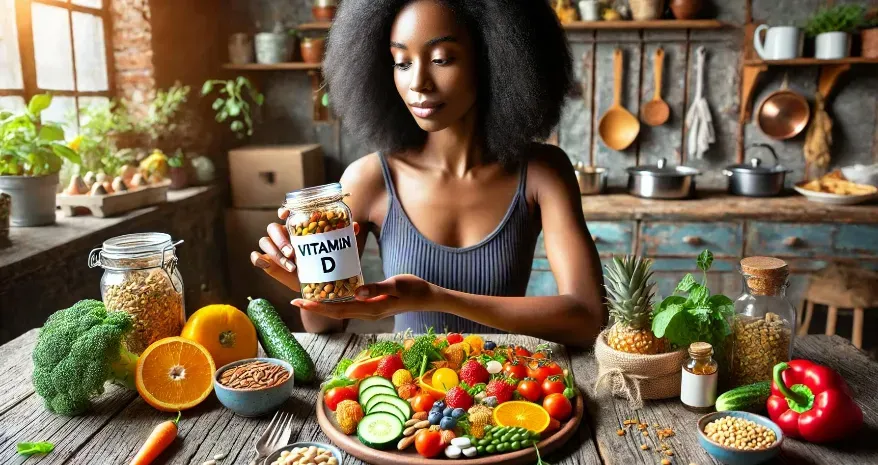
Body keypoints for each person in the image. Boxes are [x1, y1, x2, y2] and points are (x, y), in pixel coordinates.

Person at [250, 0, 605, 347]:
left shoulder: (543, 172)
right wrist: (310, 277)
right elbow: (324, 325)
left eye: (441, 59)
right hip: (411, 394)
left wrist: (437, 298)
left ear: (492, 58)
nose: (418, 82)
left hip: (506, 388)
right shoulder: (369, 179)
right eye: (401, 63)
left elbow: (588, 317)